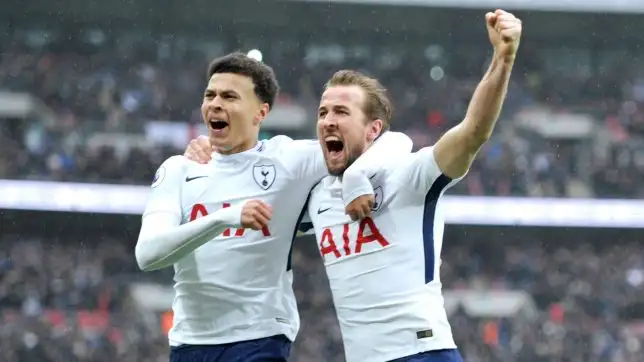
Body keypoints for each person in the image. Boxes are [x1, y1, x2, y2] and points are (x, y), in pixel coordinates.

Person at [185, 8, 522, 362]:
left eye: (342, 113)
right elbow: (247, 199)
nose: (328, 121)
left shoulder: (407, 177)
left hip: (422, 353)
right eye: (323, 112)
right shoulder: (316, 198)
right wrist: (216, 150)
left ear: (373, 130)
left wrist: (503, 57)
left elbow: (472, 132)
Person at [135, 52, 411, 362]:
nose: (215, 103)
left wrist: (358, 177)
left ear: (260, 112)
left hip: (259, 338)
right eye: (209, 95)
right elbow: (148, 255)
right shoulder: (179, 169)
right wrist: (226, 218)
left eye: (229, 96)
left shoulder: (290, 161)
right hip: (188, 343)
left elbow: (396, 142)